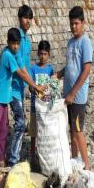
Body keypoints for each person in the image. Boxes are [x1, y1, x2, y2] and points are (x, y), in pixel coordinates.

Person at [0, 28, 44, 167]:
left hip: (6, 99)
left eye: (17, 43)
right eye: (12, 43)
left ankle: (1, 160)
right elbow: (21, 74)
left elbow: (24, 69)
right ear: (8, 43)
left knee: (3, 131)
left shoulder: (14, 53)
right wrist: (35, 86)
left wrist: (34, 85)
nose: (15, 46)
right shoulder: (7, 55)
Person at [55, 6, 93, 170]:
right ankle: (74, 160)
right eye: (71, 24)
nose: (74, 27)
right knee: (71, 130)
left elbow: (86, 70)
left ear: (83, 23)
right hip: (68, 95)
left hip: (77, 96)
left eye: (76, 23)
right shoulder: (70, 42)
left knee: (78, 130)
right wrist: (58, 74)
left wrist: (72, 93)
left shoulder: (86, 42)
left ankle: (87, 166)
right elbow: (70, 65)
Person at [8, 5, 33, 166]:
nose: (28, 21)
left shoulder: (27, 41)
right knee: (20, 124)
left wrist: (31, 83)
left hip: (21, 87)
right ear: (19, 18)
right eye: (25, 18)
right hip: (12, 88)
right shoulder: (15, 38)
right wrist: (33, 84)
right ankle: (13, 159)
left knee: (20, 122)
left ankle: (14, 154)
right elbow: (19, 68)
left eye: (30, 18)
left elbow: (27, 65)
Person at [28, 40, 54, 169]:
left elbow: (53, 87)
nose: (43, 56)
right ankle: (32, 155)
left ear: (48, 54)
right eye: (41, 54)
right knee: (34, 132)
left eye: (45, 54)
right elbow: (30, 86)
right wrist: (36, 89)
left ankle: (44, 153)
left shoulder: (50, 70)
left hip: (46, 108)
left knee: (45, 132)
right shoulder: (33, 69)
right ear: (38, 53)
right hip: (35, 107)